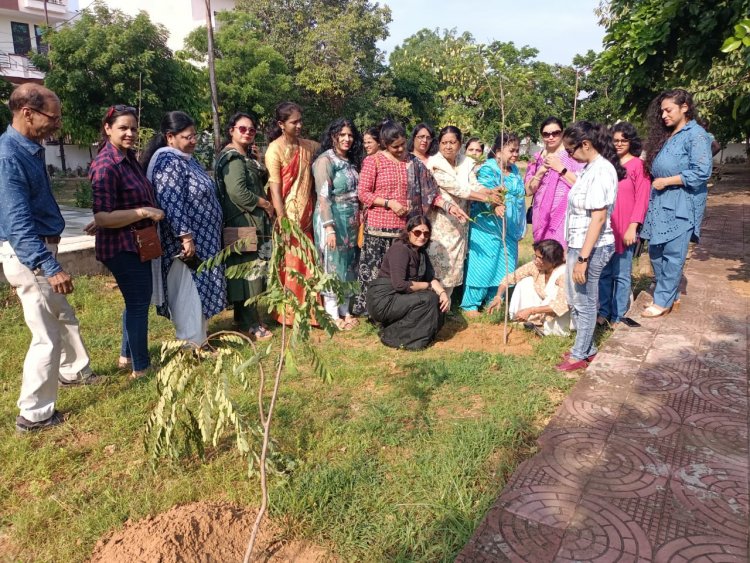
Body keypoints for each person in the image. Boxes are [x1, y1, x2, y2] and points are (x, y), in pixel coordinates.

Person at [0, 84, 98, 432]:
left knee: (63, 315)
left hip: (41, 248)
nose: (57, 124)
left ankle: (74, 370)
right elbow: (17, 224)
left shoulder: (30, 149)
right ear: (27, 112)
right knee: (46, 335)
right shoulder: (9, 155)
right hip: (30, 255)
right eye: (52, 118)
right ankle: (34, 413)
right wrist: (49, 266)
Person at [353, 120, 468, 315]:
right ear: (384, 143)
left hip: (404, 231)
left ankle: (399, 311)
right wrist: (389, 203)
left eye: (402, 145)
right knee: (377, 273)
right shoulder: (374, 161)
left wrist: (450, 207)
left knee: (403, 275)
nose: (400, 150)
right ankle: (372, 310)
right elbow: (363, 193)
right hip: (378, 230)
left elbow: (431, 193)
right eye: (394, 146)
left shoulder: (413, 163)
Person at [91, 105, 165, 379]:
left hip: (137, 241)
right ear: (108, 128)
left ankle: (127, 355)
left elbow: (111, 207)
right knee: (137, 303)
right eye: (123, 128)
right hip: (121, 246)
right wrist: (143, 212)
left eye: (133, 128)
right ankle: (141, 367)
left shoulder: (128, 158)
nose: (130, 133)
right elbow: (102, 216)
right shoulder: (106, 164)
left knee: (135, 301)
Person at [141, 111, 226, 345]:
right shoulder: (168, 161)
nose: (194, 140)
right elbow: (172, 200)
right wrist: (186, 237)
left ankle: (200, 338)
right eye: (188, 137)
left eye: (195, 135)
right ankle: (190, 345)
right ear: (170, 137)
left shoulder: (186, 159)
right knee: (189, 292)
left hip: (204, 241)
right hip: (184, 246)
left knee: (199, 290)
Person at [556, 121, 626, 372]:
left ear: (585, 144)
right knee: (575, 297)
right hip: (579, 244)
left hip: (592, 247)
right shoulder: (588, 168)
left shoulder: (602, 170)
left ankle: (579, 354)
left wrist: (583, 259)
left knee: (585, 300)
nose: (570, 155)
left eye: (571, 150)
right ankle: (587, 347)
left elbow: (598, 218)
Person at [640, 89, 713, 318]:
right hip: (661, 201)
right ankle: (671, 296)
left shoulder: (696, 135)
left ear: (685, 108)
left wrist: (668, 181)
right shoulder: (669, 134)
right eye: (661, 111)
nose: (663, 115)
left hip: (682, 201)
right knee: (655, 251)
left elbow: (702, 172)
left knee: (673, 253)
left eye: (668, 110)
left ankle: (662, 301)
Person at [215, 113, 274, 340]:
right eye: (242, 129)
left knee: (246, 271)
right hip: (243, 222)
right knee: (249, 272)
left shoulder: (244, 156)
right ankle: (251, 322)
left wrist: (258, 162)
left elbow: (258, 179)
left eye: (251, 129)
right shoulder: (232, 158)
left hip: (249, 221)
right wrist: (265, 203)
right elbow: (237, 192)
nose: (248, 132)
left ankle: (244, 317)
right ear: (231, 130)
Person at [426, 126, 500, 297]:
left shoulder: (466, 162)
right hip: (440, 221)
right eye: (444, 143)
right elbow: (458, 189)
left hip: (460, 223)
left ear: (460, 144)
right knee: (438, 261)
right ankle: (431, 306)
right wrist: (486, 198)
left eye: (452, 142)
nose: (448, 146)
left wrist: (490, 191)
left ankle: (447, 305)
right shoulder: (434, 164)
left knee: (454, 265)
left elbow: (473, 184)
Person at [264, 101, 320, 325]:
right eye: (294, 122)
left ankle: (311, 312)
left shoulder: (308, 146)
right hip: (289, 218)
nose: (299, 125)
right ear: (281, 124)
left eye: (300, 121)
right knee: (292, 265)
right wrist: (283, 222)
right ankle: (289, 314)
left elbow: (328, 147)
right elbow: (276, 191)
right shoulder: (274, 150)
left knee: (309, 263)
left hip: (309, 217)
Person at [461, 132, 526, 315]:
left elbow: (521, 197)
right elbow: (485, 192)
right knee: (484, 263)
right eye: (511, 151)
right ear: (498, 151)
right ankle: (471, 304)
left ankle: (494, 299)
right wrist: (494, 205)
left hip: (509, 226)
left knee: (504, 262)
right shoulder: (488, 168)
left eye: (517, 151)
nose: (515, 154)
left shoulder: (513, 170)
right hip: (487, 225)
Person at [366, 215, 449, 350]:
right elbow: (400, 284)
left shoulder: (421, 252)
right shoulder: (400, 249)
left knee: (436, 299)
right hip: (382, 299)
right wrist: (427, 286)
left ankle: (414, 332)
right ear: (409, 232)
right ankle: (393, 334)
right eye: (417, 232)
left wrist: (443, 293)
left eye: (426, 233)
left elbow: (431, 278)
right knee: (428, 299)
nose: (422, 236)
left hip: (398, 296)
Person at [597, 122, 650, 327]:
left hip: (625, 228)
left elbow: (642, 198)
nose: (618, 144)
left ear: (631, 142)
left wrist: (633, 226)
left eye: (623, 140)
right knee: (604, 272)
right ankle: (603, 311)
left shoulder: (638, 165)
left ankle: (618, 316)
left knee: (621, 274)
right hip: (606, 227)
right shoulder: (608, 164)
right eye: (615, 140)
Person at [312, 118, 363, 330]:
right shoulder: (326, 161)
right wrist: (329, 227)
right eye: (342, 134)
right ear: (333, 136)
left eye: (350, 135)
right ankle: (332, 313)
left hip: (350, 220)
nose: (346, 139)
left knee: (348, 264)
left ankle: (345, 309)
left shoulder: (350, 161)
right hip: (332, 219)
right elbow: (323, 197)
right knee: (332, 264)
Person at [487, 239, 571, 336]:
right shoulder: (535, 266)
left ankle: (548, 329)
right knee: (525, 282)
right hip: (542, 306)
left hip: (562, 313)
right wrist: (498, 296)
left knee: (553, 293)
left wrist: (531, 310)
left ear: (553, 260)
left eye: (541, 258)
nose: (536, 260)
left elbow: (561, 305)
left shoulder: (564, 273)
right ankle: (527, 320)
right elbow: (509, 278)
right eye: (536, 256)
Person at [524, 117, 583, 246]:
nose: (551, 137)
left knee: (560, 255)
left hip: (563, 214)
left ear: (562, 133)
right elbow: (528, 191)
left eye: (555, 133)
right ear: (542, 136)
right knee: (543, 254)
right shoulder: (536, 158)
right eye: (546, 134)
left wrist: (559, 167)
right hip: (541, 215)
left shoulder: (572, 156)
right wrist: (541, 171)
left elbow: (582, 185)